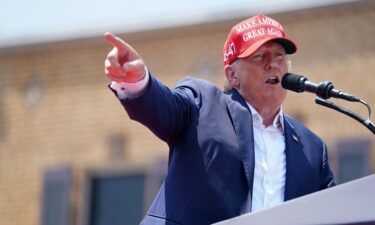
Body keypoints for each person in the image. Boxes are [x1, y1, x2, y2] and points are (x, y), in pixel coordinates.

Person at [104, 14, 335, 225]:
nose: (272, 64)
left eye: (279, 56)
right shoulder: (202, 104)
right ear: (232, 75)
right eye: (259, 56)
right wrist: (137, 81)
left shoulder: (312, 148)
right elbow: (163, 106)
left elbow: (334, 212)